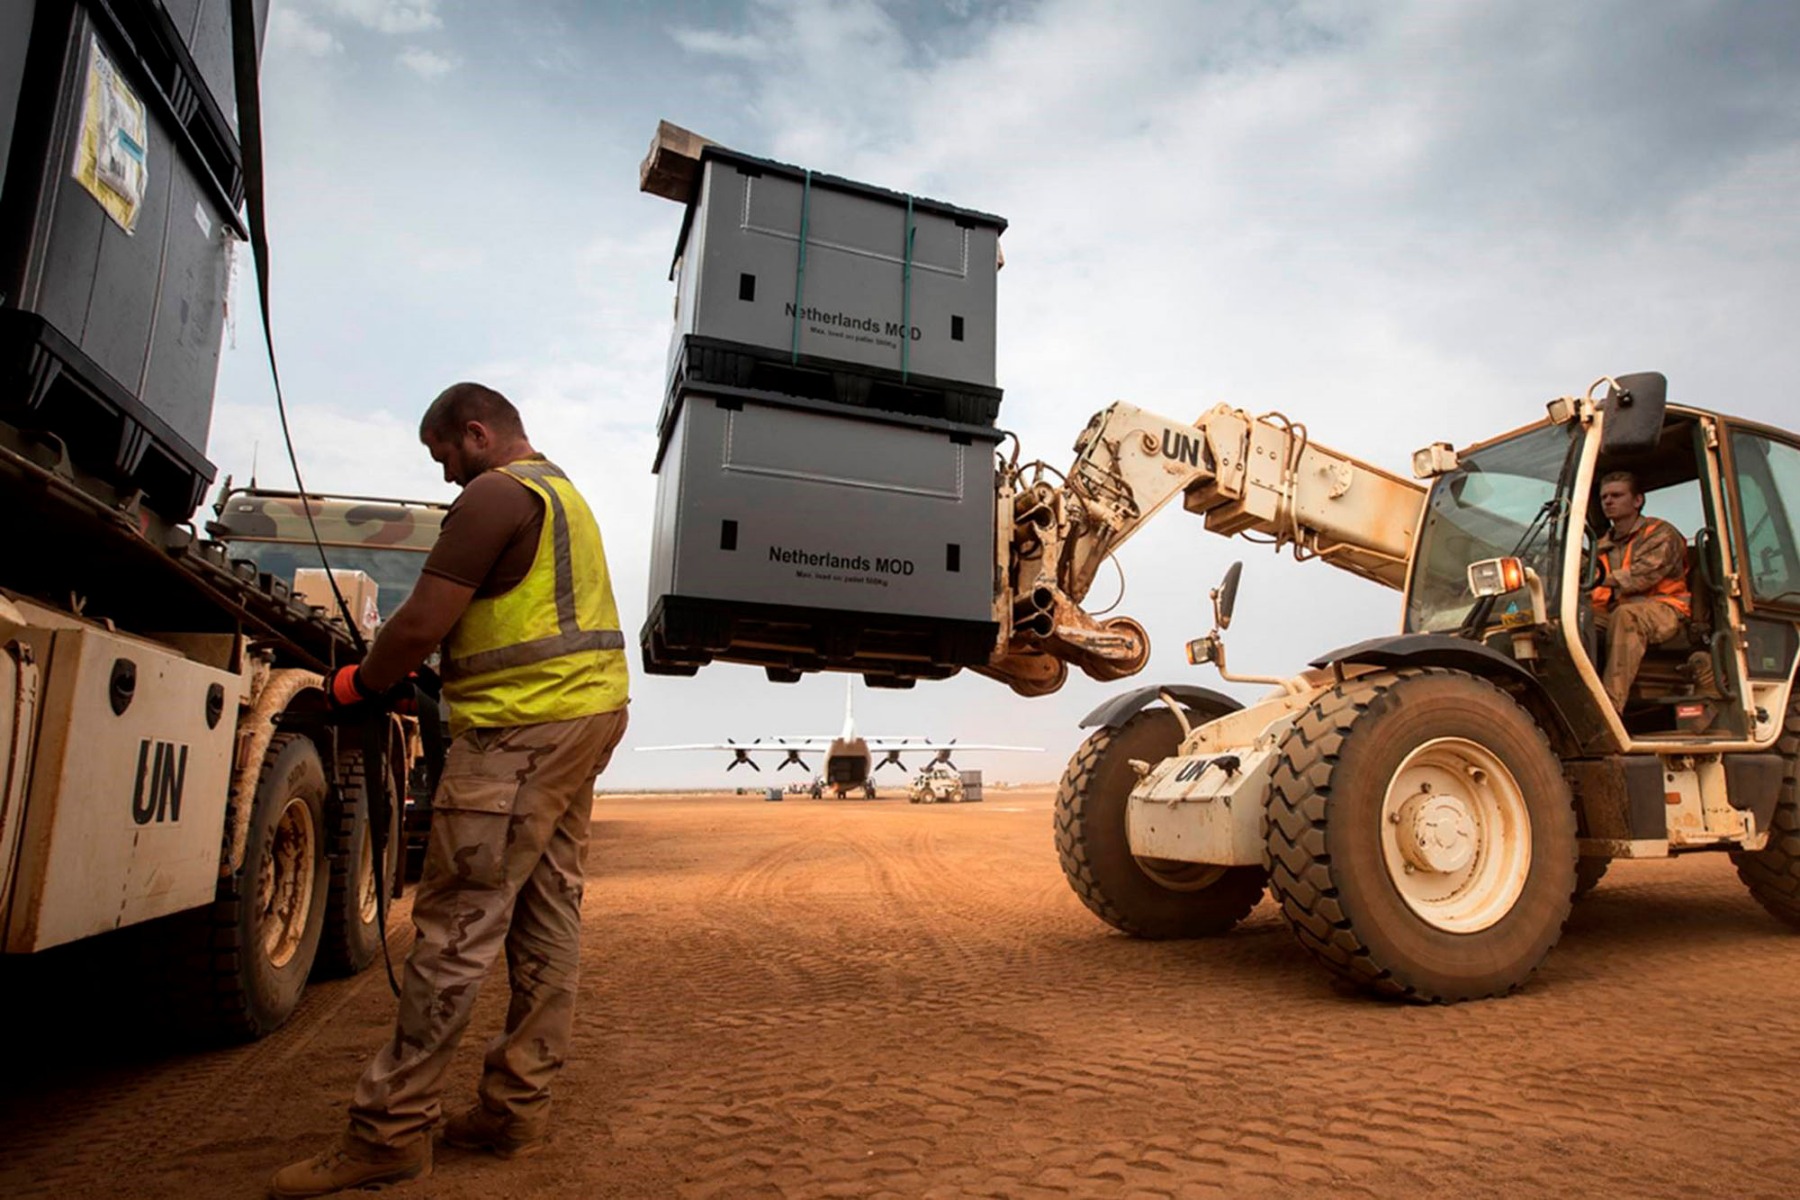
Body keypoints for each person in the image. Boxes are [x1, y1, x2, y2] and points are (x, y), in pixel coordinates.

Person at [271, 383, 630, 1197]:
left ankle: (389, 1132)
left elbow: (420, 622)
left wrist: (361, 683)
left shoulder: (496, 495)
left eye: (443, 456)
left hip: (519, 734)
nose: (444, 476)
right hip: (581, 722)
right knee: (546, 917)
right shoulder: (564, 497)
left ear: (475, 433)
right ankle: (515, 1111)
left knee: (456, 928)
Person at [1590, 470, 1689, 713]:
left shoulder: (1661, 534)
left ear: (1637, 500)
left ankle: (1609, 709)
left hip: (1665, 608)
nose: (1608, 501)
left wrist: (1592, 579)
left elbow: (1641, 577)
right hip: (1616, 609)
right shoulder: (1601, 545)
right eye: (1604, 497)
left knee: (1626, 616)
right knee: (1573, 620)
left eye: (1616, 495)